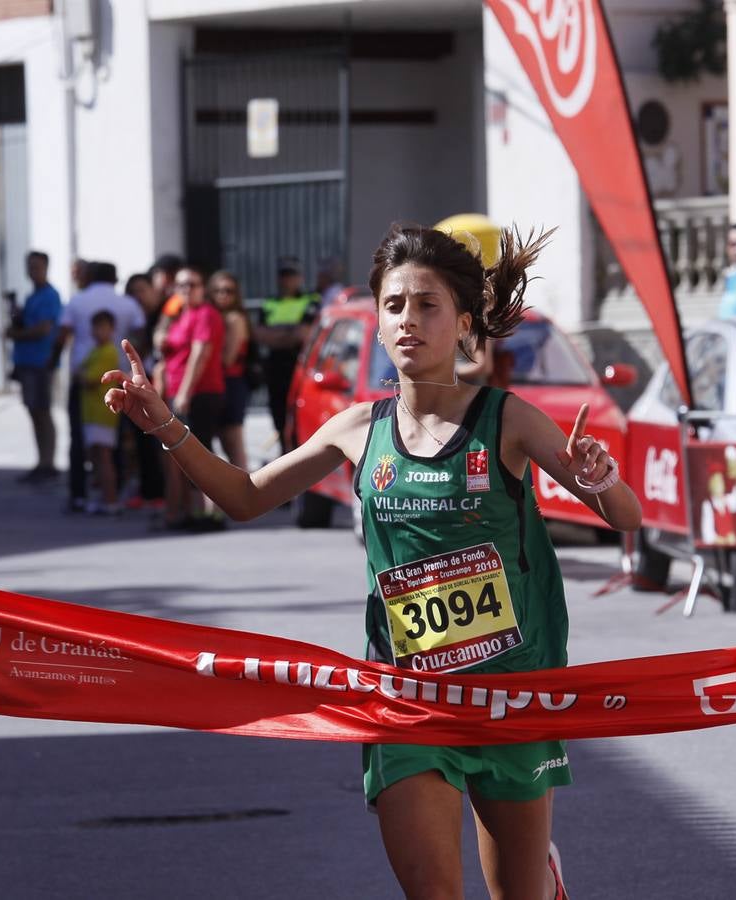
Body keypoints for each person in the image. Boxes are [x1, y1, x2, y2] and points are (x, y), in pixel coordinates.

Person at [103, 223, 642, 899]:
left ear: (465, 325)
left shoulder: (508, 420)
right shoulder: (359, 429)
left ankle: (542, 877)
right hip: (406, 698)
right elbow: (243, 497)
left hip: (510, 696)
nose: (408, 321)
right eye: (394, 307)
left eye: (427, 305)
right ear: (378, 325)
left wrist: (596, 477)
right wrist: (164, 426)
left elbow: (624, 518)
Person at [55, 262, 146, 512]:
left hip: (88, 385)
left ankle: (86, 495)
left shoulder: (76, 301)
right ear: (115, 278)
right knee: (113, 446)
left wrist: (52, 364)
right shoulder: (128, 304)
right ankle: (112, 494)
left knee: (84, 443)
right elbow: (141, 335)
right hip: (119, 381)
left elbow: (62, 335)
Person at [157, 265, 226, 531]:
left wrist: (185, 391)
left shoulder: (205, 314)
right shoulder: (182, 314)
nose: (186, 290)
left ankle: (209, 512)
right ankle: (190, 510)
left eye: (192, 285)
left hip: (200, 393)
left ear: (202, 288)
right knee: (186, 456)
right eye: (181, 285)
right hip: (180, 392)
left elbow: (200, 355)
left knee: (201, 454)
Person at [5, 251, 63, 483]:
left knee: (42, 411)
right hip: (28, 362)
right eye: (30, 266)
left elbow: (44, 329)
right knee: (34, 411)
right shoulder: (33, 296)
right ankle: (42, 461)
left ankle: (47, 462)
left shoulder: (49, 296)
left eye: (37, 266)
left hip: (41, 362)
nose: (33, 270)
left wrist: (16, 334)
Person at [255, 256, 320, 454]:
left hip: (299, 365)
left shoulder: (311, 300)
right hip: (275, 367)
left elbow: (305, 333)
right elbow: (260, 335)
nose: (287, 280)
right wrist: (289, 335)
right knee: (278, 414)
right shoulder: (269, 303)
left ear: (300, 278)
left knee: (300, 413)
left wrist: (277, 336)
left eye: (291, 275)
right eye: (284, 275)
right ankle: (286, 453)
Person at [122, 272, 165, 508]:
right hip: (141, 383)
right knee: (140, 439)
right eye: (132, 292)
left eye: (141, 289)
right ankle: (147, 489)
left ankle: (159, 491)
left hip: (160, 385)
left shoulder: (163, 314)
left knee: (158, 439)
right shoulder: (135, 319)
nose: (137, 296)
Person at [80, 311, 121, 515]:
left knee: (104, 458)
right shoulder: (96, 350)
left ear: (112, 330)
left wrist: (82, 376)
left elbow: (89, 378)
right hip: (91, 412)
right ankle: (103, 498)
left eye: (103, 327)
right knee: (96, 458)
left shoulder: (108, 352)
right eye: (96, 327)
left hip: (102, 414)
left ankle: (111, 500)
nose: (98, 332)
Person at [210, 270, 251, 471]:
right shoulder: (214, 316)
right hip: (219, 383)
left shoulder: (235, 319)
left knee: (233, 441)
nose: (223, 295)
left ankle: (248, 493)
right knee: (223, 440)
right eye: (217, 291)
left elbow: (228, 358)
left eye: (229, 291)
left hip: (232, 383)